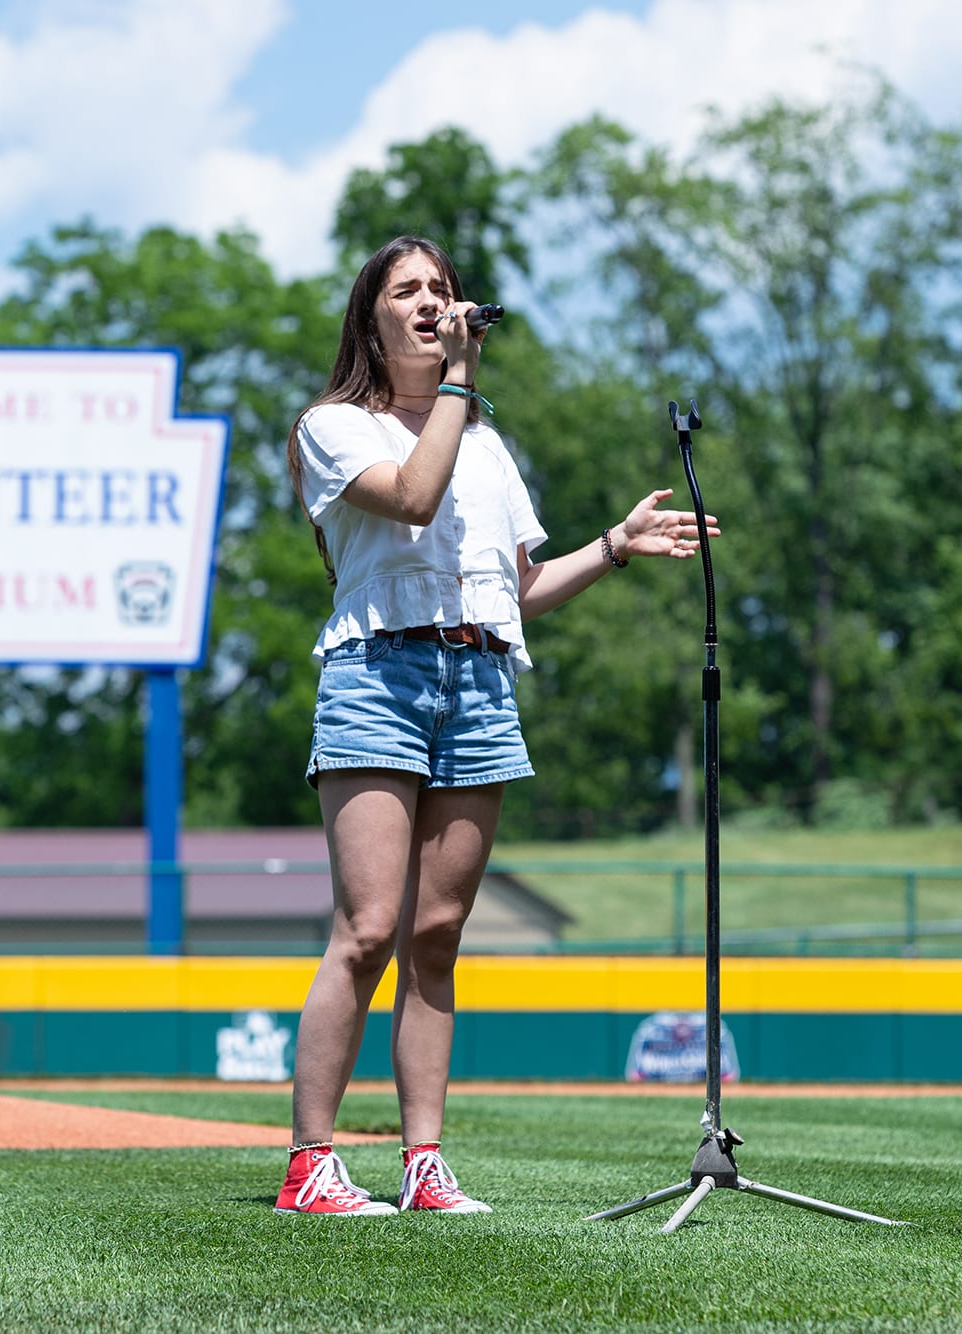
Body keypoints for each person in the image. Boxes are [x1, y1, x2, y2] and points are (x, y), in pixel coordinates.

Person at [272, 235, 721, 1218]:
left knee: (436, 933)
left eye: (442, 288)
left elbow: (515, 588)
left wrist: (611, 546)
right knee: (368, 927)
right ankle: (310, 1162)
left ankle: (422, 1160)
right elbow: (411, 498)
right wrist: (460, 388)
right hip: (377, 675)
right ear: (372, 318)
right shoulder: (333, 425)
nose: (432, 303)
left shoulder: (482, 439)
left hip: (478, 680)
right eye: (407, 291)